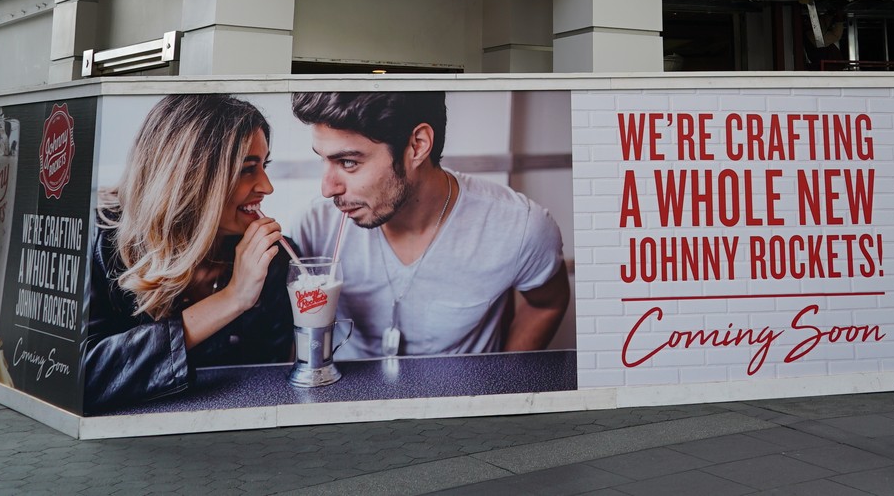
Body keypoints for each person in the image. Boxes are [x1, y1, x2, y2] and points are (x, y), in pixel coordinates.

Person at [290, 91, 570, 360]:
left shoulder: (519, 226)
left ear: (418, 145)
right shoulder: (315, 226)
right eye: (323, 159)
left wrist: (504, 380)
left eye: (349, 162)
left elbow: (547, 303)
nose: (327, 189)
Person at [83, 94, 293, 412]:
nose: (267, 186)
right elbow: (78, 379)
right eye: (247, 169)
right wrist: (233, 298)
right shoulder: (100, 239)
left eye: (264, 166)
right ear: (189, 176)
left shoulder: (271, 258)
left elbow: (271, 383)